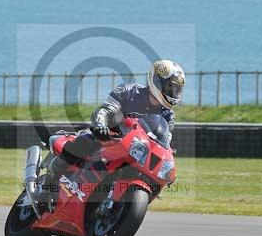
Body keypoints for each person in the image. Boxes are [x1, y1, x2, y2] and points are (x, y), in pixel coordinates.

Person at [40, 60, 186, 197]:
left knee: (154, 179)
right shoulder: (129, 91)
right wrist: (100, 125)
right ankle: (47, 185)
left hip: (136, 150)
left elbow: (164, 142)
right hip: (107, 136)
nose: (173, 92)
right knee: (82, 144)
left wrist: (167, 166)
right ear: (156, 81)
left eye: (176, 89)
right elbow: (105, 110)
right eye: (170, 87)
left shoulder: (167, 115)